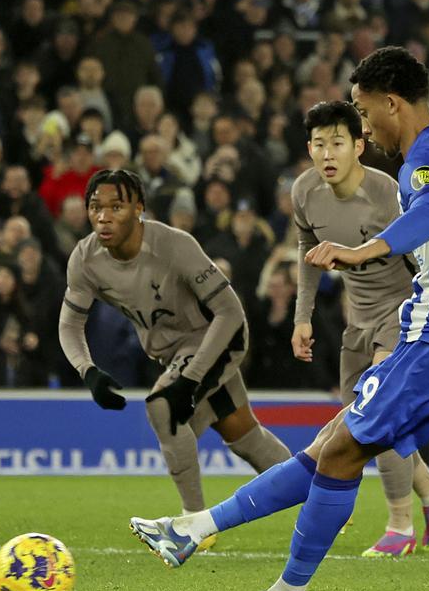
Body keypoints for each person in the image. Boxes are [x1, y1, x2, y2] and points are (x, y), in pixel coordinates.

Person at [129, 47, 429, 591]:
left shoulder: (425, 157)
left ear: (390, 102)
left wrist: (363, 249)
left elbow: (428, 214)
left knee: (345, 449)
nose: (363, 123)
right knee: (333, 445)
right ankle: (194, 530)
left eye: (363, 109)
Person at [57, 168, 292, 549]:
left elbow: (230, 312)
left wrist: (189, 379)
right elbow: (69, 325)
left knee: (162, 407)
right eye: (95, 207)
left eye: (116, 206)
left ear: (139, 208)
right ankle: (324, 497)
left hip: (219, 337)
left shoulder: (174, 245)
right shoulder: (85, 259)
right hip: (173, 355)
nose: (103, 216)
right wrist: (88, 372)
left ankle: (194, 527)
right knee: (244, 437)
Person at [291, 100, 429, 558]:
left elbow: (425, 254)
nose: (328, 153)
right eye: (319, 144)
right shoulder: (304, 191)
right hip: (356, 319)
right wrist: (302, 317)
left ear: (359, 146)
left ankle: (399, 525)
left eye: (337, 143)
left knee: (377, 409)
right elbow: (308, 248)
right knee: (363, 425)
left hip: (402, 311)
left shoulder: (388, 192)